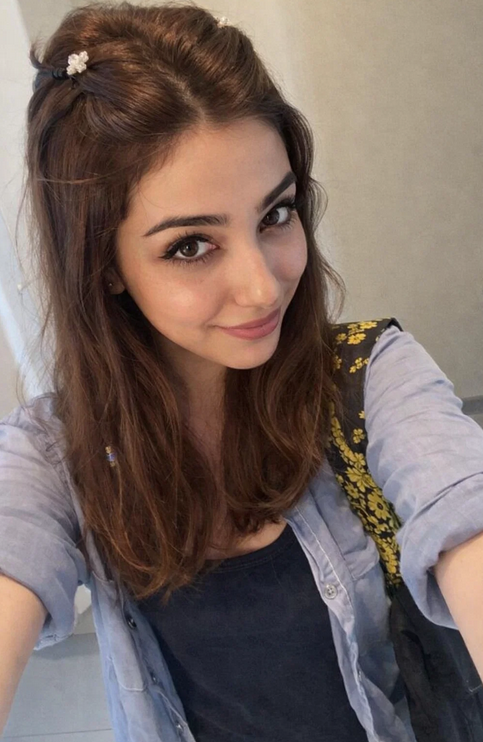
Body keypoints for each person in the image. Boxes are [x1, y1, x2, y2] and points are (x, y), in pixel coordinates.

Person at [1, 3, 483, 741]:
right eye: (191, 246)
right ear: (105, 264)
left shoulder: (366, 379)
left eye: (275, 215)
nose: (263, 288)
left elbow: (463, 511)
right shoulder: (55, 455)